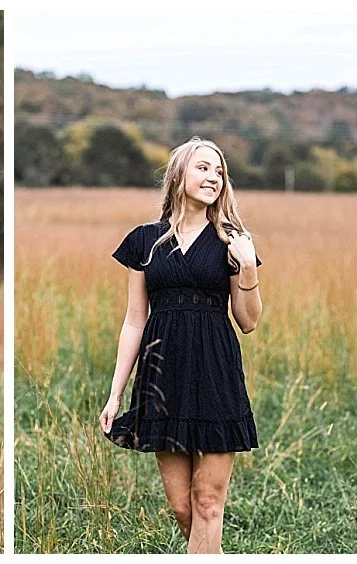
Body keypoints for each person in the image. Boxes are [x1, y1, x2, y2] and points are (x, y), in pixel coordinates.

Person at [100, 137, 263, 553]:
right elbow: (135, 320)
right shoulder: (145, 241)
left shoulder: (232, 239)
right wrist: (116, 393)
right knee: (183, 508)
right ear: (179, 174)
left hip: (215, 372)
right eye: (204, 168)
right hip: (162, 375)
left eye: (219, 171)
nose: (213, 177)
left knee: (208, 503)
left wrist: (247, 266)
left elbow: (248, 321)